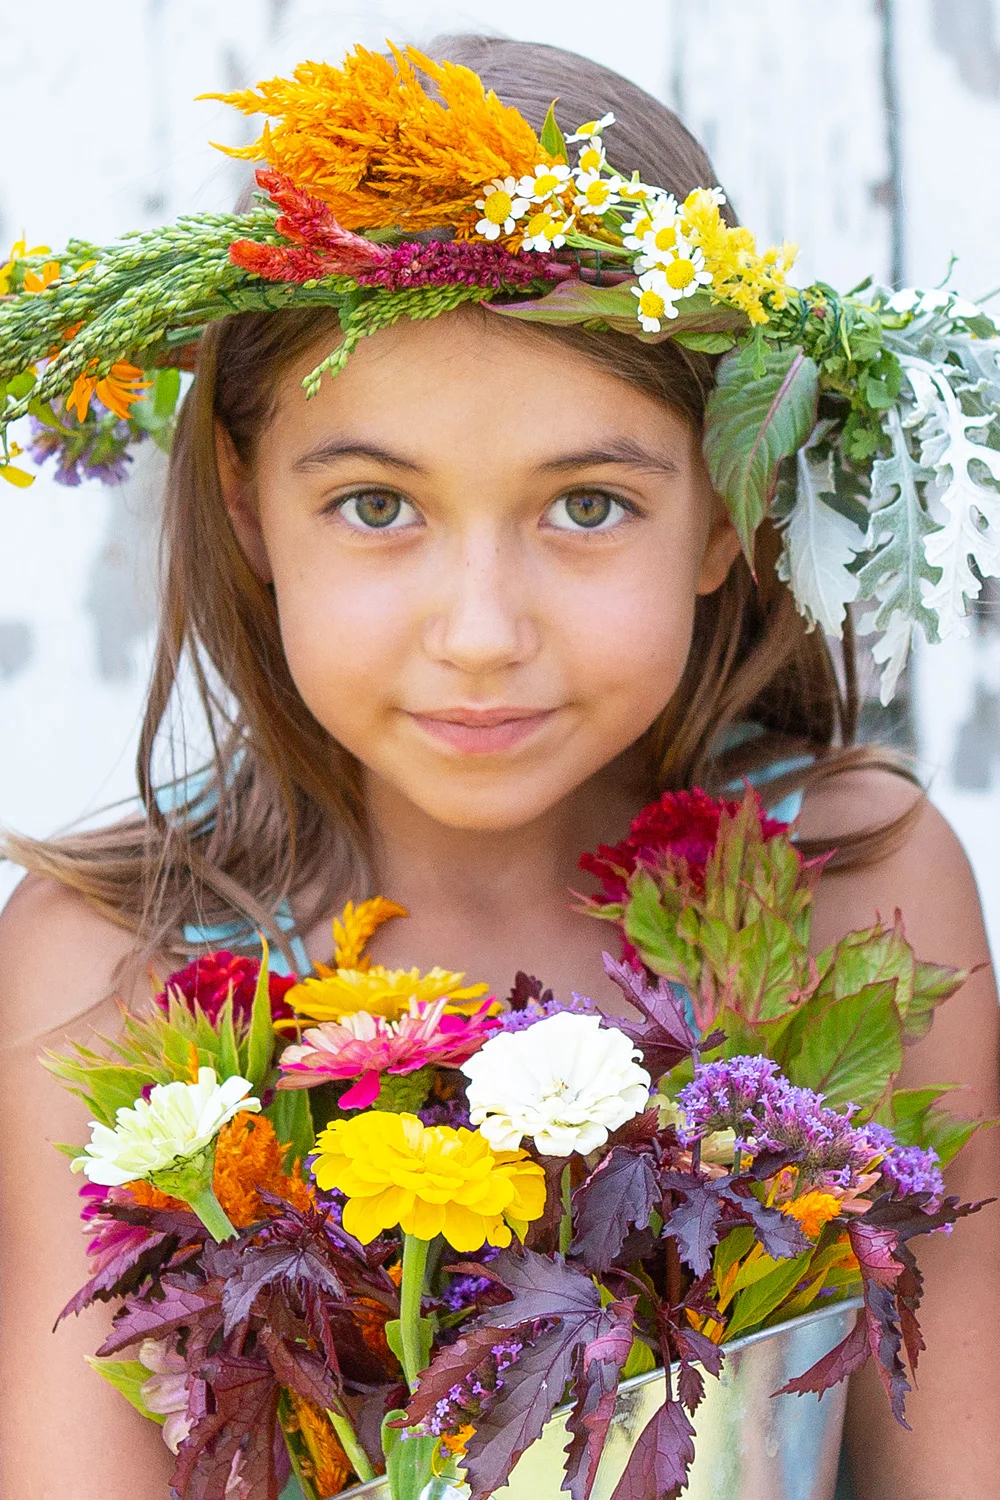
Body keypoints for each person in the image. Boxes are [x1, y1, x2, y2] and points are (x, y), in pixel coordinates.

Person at [0, 33, 997, 1500]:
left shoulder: (851, 890)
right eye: (375, 504)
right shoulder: (115, 975)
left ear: (727, 510)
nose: (481, 633)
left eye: (588, 504)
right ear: (249, 506)